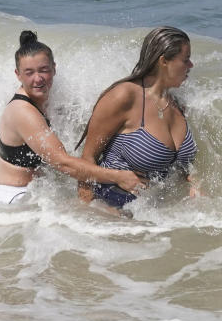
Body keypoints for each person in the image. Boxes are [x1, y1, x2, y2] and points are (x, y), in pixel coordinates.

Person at [0, 31, 151, 205]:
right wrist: (119, 177)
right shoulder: (22, 111)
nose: (38, 78)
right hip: (12, 199)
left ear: (54, 68)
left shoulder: (50, 98)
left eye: (44, 70)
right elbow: (63, 163)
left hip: (32, 196)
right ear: (18, 74)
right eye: (29, 73)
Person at [76, 26, 200, 211]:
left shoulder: (177, 104)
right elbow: (87, 161)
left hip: (151, 216)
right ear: (163, 61)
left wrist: (195, 184)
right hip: (109, 210)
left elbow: (182, 165)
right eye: (186, 59)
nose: (191, 65)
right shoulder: (124, 96)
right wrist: (86, 215)